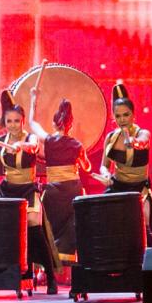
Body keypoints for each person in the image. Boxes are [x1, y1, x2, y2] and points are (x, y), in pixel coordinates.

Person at [0, 90, 61, 293]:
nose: (13, 125)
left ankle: (50, 276)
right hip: (8, 190)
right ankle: (0, 272)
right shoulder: (1, 140)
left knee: (34, 228)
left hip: (27, 190)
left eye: (17, 121)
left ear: (23, 121)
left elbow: (33, 147)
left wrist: (20, 145)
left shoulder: (31, 138)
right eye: (9, 121)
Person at [29, 88, 91, 263]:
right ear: (70, 124)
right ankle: (70, 264)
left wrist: (33, 98)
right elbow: (87, 167)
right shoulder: (77, 145)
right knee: (72, 226)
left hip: (54, 191)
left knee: (48, 226)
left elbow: (32, 123)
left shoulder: (48, 140)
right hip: (72, 191)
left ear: (54, 123)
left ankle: (46, 264)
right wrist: (77, 159)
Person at [98, 82, 152, 246]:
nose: (122, 120)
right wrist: (106, 174)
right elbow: (104, 165)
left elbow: (142, 142)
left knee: (145, 228)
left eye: (126, 115)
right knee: (104, 224)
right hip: (117, 186)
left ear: (133, 115)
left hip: (139, 188)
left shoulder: (143, 133)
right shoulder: (111, 137)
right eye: (118, 116)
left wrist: (131, 141)